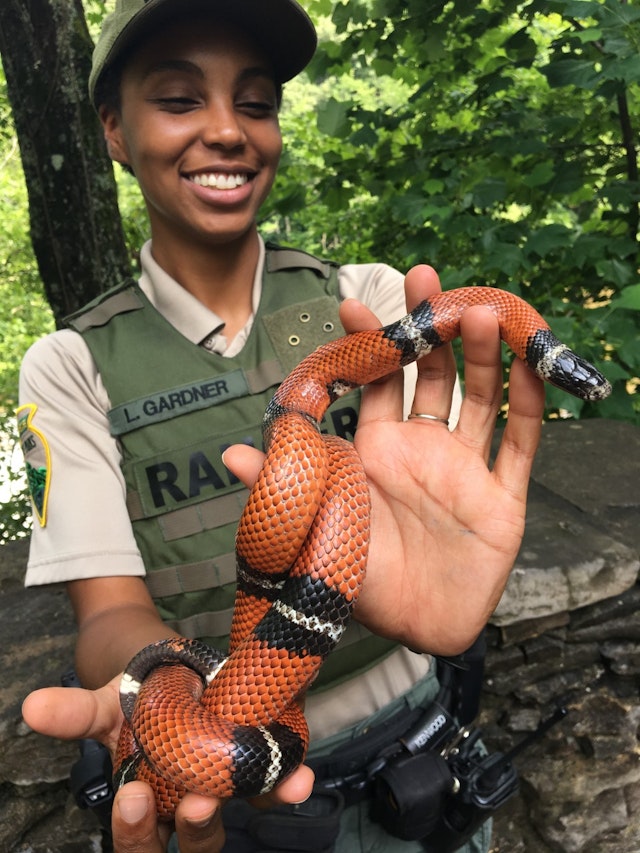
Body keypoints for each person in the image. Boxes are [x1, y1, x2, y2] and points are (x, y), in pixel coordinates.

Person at [17, 1, 545, 852]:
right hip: (238, 791)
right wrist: (172, 684)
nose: (227, 129)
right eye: (181, 99)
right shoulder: (67, 368)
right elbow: (107, 614)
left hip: (421, 755)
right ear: (114, 130)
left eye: (255, 103)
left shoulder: (366, 300)